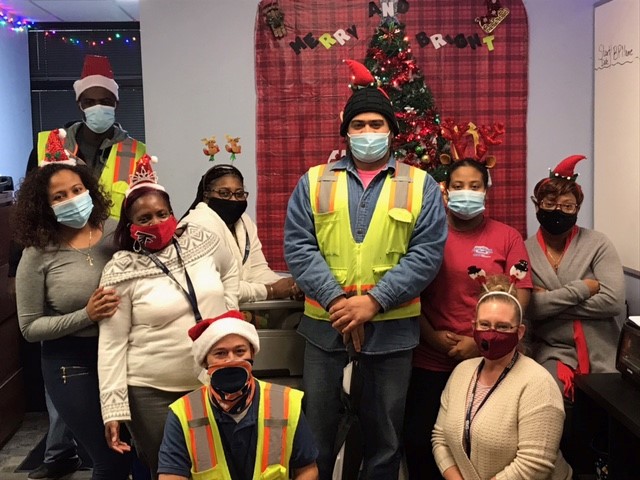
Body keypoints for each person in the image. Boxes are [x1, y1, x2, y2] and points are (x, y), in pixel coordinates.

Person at [283, 59, 447, 479]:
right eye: (359, 125)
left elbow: (426, 253)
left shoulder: (420, 184)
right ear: (346, 132)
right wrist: (341, 302)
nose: (368, 132)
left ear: (391, 130)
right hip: (325, 327)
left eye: (377, 124)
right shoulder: (315, 181)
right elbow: (299, 247)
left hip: (391, 330)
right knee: (316, 432)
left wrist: (373, 302)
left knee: (385, 436)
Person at [97, 154, 240, 479]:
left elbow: (231, 268)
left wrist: (228, 311)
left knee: (217, 467)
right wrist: (113, 410)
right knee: (170, 471)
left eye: (163, 214)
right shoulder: (120, 269)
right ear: (131, 226)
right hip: (152, 392)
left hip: (214, 382)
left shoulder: (201, 240)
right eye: (145, 218)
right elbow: (112, 345)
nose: (156, 222)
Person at [404, 158, 533, 479]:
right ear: (445, 191)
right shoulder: (426, 236)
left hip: (489, 360)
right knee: (421, 443)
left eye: (474, 186)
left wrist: (480, 344)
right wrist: (432, 336)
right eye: (458, 186)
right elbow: (407, 292)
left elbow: (521, 296)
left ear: (486, 190)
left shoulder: (507, 237)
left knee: (482, 445)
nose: (466, 193)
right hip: (431, 359)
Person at [14, 138, 131, 480]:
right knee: (109, 459)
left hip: (124, 354)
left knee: (135, 452)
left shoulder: (115, 231)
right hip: (71, 362)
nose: (71, 200)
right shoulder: (37, 253)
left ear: (90, 189)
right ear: (44, 205)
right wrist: (87, 315)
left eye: (77, 189)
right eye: (59, 196)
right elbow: (29, 328)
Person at [431, 273, 573, 480]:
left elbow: (534, 465)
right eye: (485, 325)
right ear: (474, 328)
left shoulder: (538, 383)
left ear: (520, 332)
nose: (492, 333)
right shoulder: (462, 372)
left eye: (503, 327)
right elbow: (440, 439)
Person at [157, 310, 319, 479]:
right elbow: (171, 476)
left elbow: (307, 470)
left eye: (240, 351)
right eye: (220, 353)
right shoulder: (183, 412)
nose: (231, 360)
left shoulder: (285, 403)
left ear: (252, 354)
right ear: (205, 361)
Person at [525, 154, 625, 398]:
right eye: (550, 204)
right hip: (553, 352)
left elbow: (613, 302)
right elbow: (530, 309)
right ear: (537, 205)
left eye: (567, 206)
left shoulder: (598, 244)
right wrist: (583, 289)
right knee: (544, 397)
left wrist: (549, 301)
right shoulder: (524, 251)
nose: (558, 211)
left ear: (577, 209)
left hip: (604, 352)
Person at [182, 163, 301, 303]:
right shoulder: (197, 225)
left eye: (239, 194)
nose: (233, 200)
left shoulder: (244, 221)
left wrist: (290, 286)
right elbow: (217, 286)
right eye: (224, 193)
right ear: (206, 195)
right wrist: (270, 291)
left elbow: (257, 270)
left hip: (239, 308)